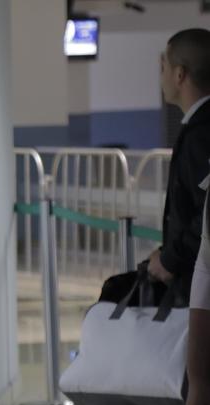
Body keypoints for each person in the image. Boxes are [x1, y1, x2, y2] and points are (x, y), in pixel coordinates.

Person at [100, 28, 210, 305]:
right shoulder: (198, 128)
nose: (161, 77)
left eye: (163, 67)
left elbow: (207, 211)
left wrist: (171, 259)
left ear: (180, 74)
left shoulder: (200, 134)